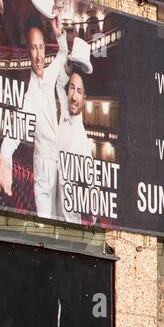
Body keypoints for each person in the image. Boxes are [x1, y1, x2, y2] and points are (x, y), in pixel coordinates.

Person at [0, 11, 67, 219]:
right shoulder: (27, 98)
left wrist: (58, 33)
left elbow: (62, 54)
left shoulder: (51, 73)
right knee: (46, 223)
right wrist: (6, 160)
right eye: (34, 48)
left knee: (68, 227)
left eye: (41, 47)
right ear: (27, 50)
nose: (38, 55)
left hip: (61, 167)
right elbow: (13, 136)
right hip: (43, 171)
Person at [55, 54, 94, 224]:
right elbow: (58, 84)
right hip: (50, 212)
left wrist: (94, 217)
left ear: (84, 99)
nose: (74, 97)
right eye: (72, 88)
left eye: (79, 91)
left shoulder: (82, 142)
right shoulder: (65, 108)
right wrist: (69, 63)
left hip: (68, 223)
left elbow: (92, 186)